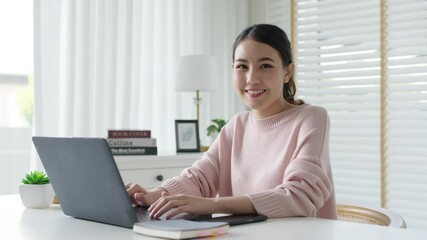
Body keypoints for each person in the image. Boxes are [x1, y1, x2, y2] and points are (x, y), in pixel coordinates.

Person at [126, 23, 337, 220]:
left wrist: (212, 205)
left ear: (287, 72)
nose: (251, 78)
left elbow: (299, 196)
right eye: (242, 66)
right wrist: (155, 194)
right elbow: (199, 178)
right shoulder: (237, 125)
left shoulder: (311, 118)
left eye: (265, 66)